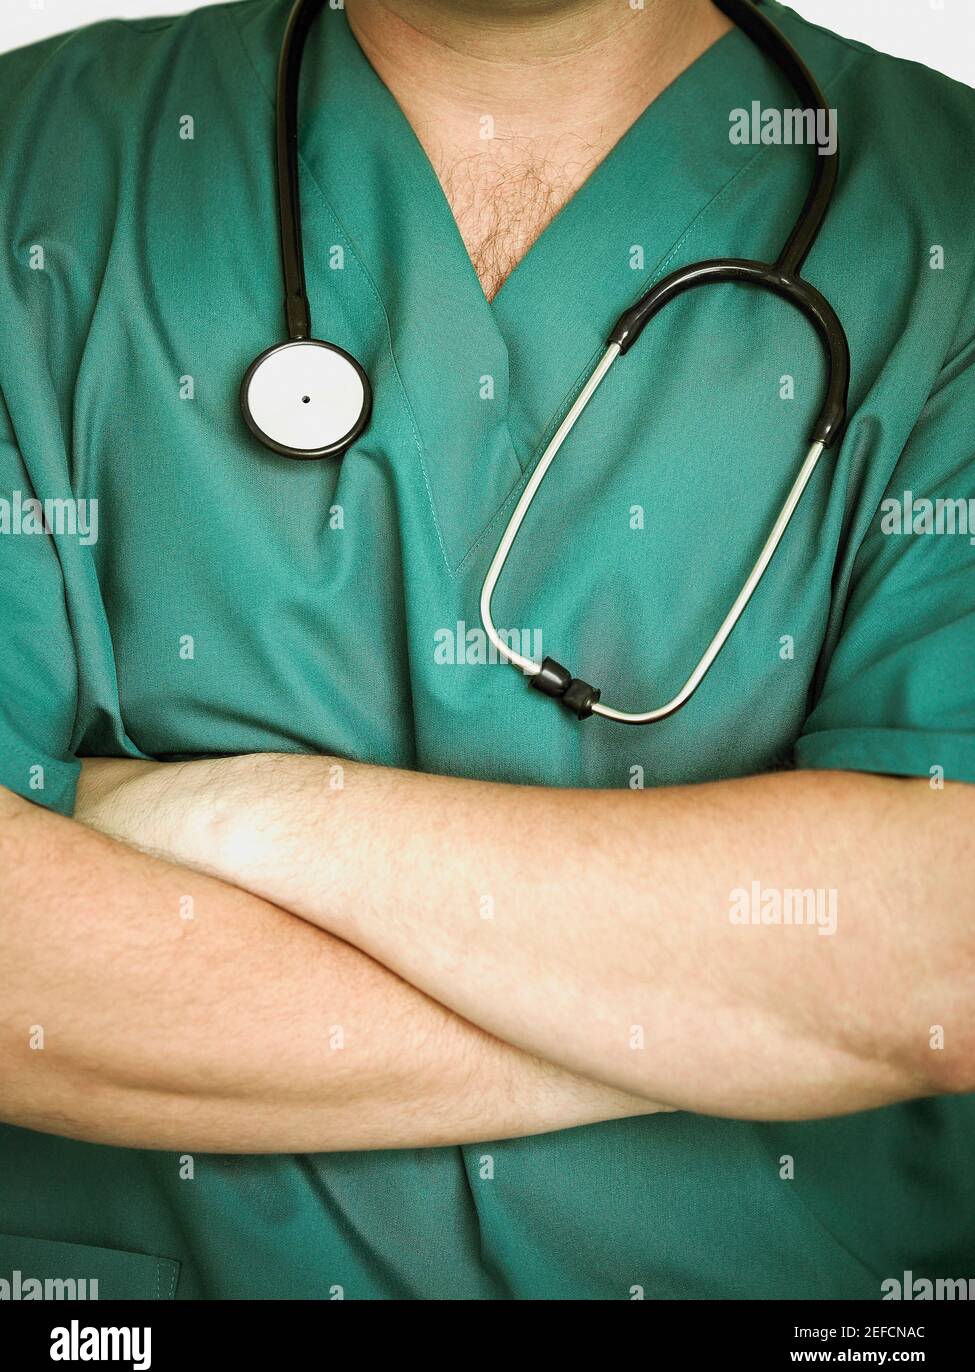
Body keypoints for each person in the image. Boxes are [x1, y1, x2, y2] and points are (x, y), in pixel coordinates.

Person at [0, 0, 973, 1301]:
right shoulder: (35, 165)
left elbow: (939, 946)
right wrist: (755, 1009)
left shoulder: (945, 211)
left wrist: (241, 817)